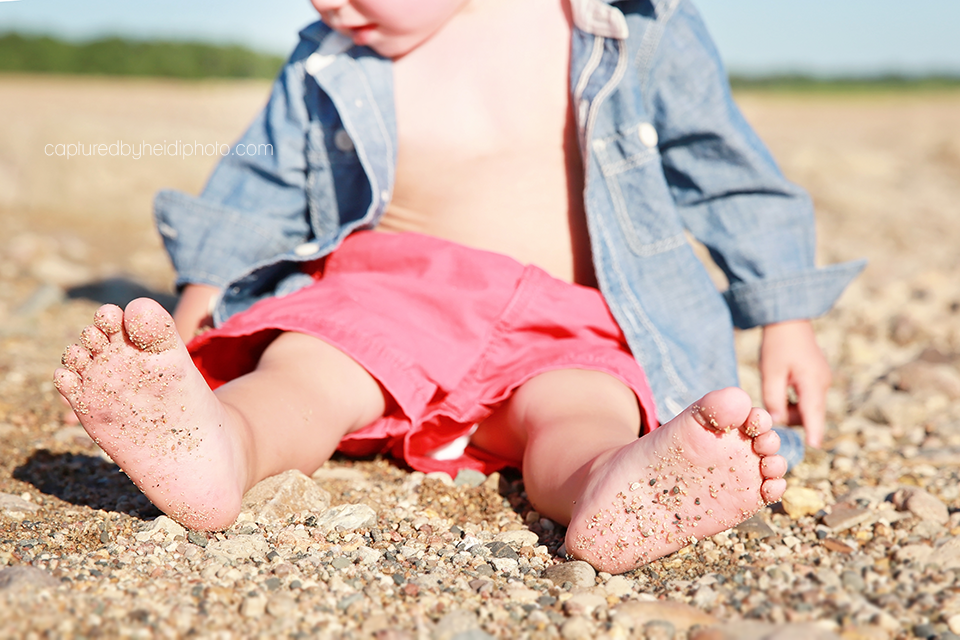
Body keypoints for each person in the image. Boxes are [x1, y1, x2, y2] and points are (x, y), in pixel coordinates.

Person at [55, 0, 862, 574]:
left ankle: (613, 486)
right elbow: (266, 176)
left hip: (570, 320)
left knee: (581, 410)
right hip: (391, 293)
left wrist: (784, 317)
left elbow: (728, 174)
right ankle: (224, 446)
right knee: (306, 372)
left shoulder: (630, 26)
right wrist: (207, 285)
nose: (323, 1)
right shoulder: (332, 53)